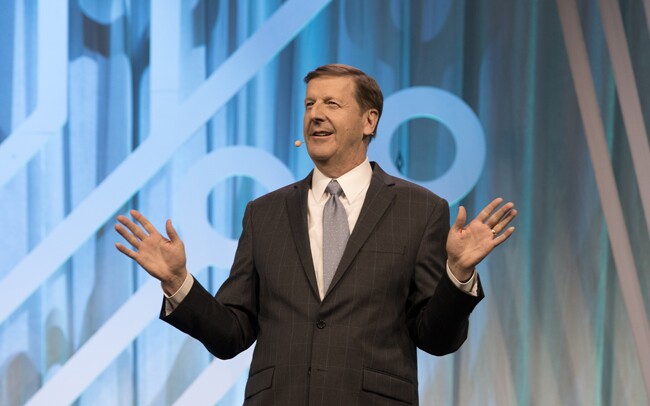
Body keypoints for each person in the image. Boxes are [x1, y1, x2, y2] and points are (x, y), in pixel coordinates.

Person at [115, 64, 516, 405]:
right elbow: (231, 335)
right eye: (309, 104)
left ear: (369, 120)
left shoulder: (420, 210)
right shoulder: (264, 214)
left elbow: (436, 338)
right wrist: (177, 282)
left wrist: (458, 274)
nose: (315, 115)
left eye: (331, 104)